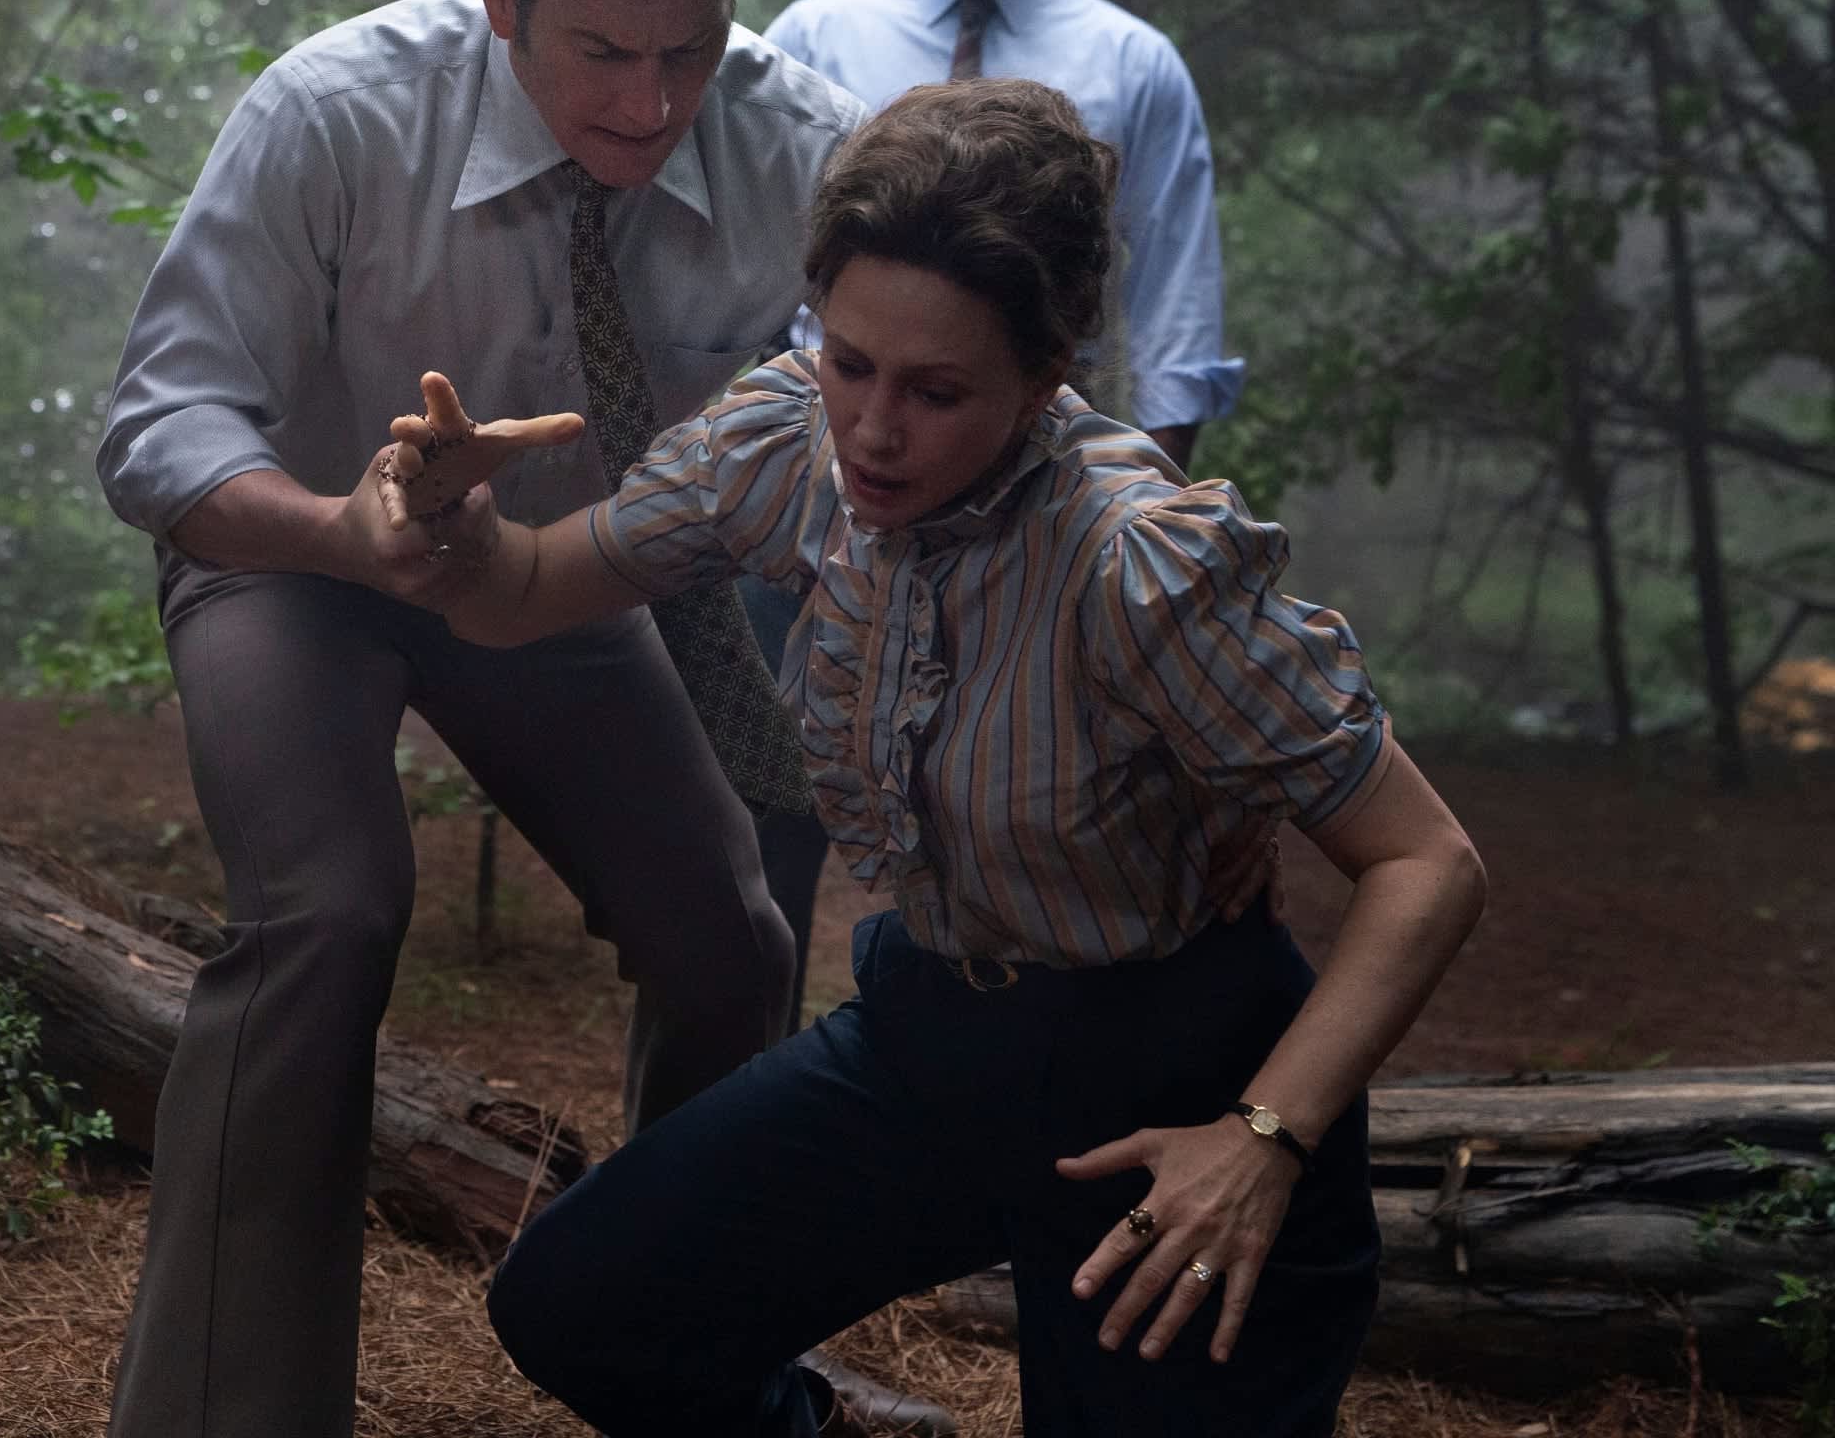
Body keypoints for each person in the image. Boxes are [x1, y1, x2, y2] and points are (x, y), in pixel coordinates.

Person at [377, 79, 1488, 1438]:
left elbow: (1428, 863)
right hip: (937, 1035)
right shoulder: (787, 443)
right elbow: (521, 590)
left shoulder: (1135, 560)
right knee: (584, 1306)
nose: (873, 428)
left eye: (937, 389)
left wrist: (1261, 1140)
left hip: (1175, 1081)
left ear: (1044, 371)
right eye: (850, 361)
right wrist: (451, 516)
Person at [93, 0, 870, 1438]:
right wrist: (341, 524)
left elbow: (886, 409)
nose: (652, 101)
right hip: (291, 557)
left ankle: (682, 1367)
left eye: (690, 49)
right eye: (603, 51)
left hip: (548, 574)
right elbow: (160, 426)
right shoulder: (335, 112)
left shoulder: (805, 147)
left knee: (729, 941)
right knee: (325, 913)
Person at [748, 0, 1244, 1031]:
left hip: (1032, 515)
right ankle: (733, 1087)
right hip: (819, 492)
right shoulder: (819, 34)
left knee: (1018, 806)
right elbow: (756, 272)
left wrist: (1130, 525)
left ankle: (1010, 1084)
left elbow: (1173, 305)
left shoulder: (1129, 61)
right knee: (758, 823)